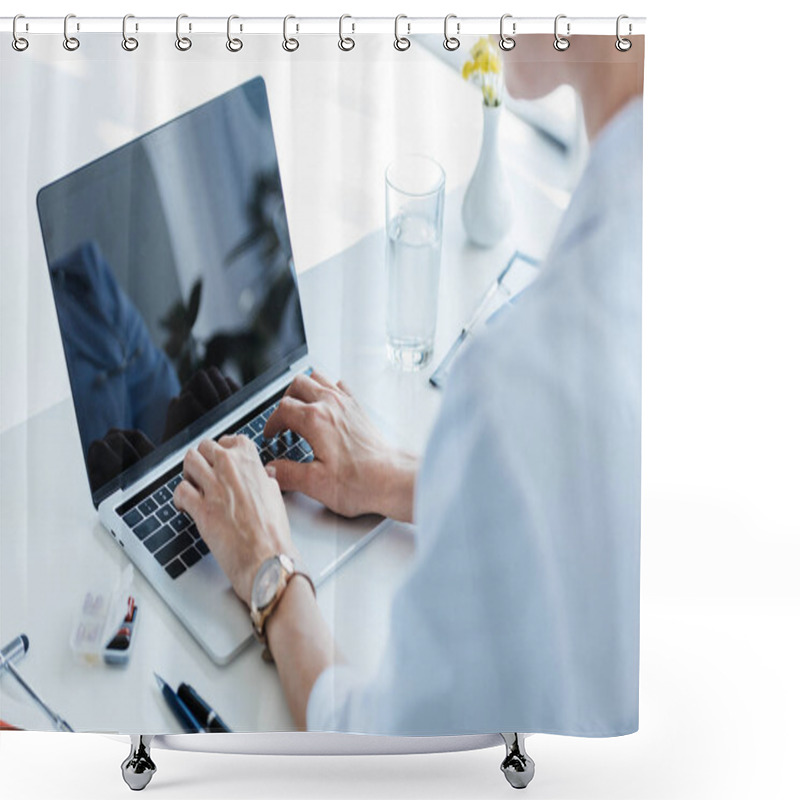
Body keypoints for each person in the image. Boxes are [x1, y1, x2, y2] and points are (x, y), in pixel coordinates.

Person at [174, 34, 643, 736]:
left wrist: (269, 568)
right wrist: (399, 478)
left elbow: (382, 752)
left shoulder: (527, 373)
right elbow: (603, 507)